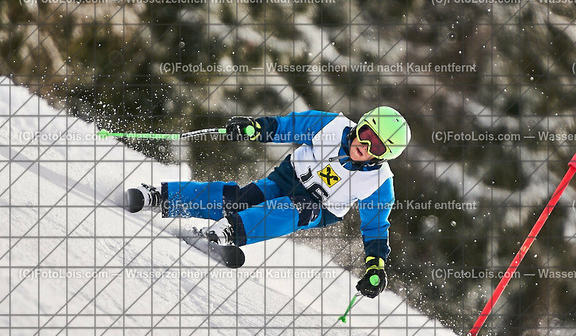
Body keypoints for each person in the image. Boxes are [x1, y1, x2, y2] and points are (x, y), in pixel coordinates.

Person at [127, 106, 411, 298]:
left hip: (319, 207)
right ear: (360, 125)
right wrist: (254, 128)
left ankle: (232, 230)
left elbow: (375, 227)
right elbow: (288, 126)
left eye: (376, 146)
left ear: (384, 156)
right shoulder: (332, 125)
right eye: (366, 134)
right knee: (240, 200)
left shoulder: (379, 183)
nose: (365, 146)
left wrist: (375, 266)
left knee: (296, 210)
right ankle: (163, 197)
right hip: (286, 178)